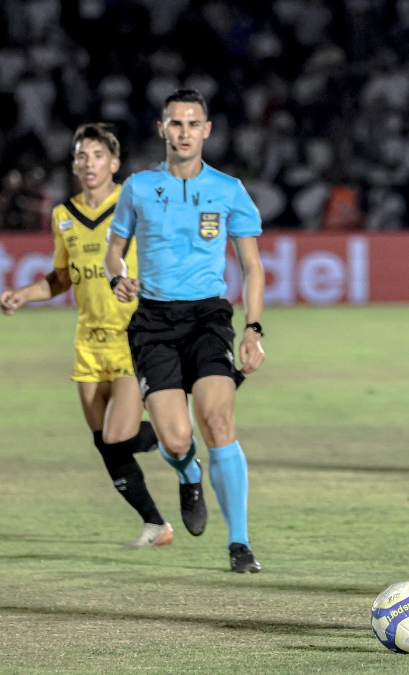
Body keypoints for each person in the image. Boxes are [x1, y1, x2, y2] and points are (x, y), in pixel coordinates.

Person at [103, 89, 267, 573]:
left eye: (193, 124)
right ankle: (187, 471)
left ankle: (240, 544)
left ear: (207, 130)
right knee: (176, 440)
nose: (184, 132)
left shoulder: (229, 189)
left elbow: (252, 268)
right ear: (162, 129)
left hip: (208, 318)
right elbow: (114, 250)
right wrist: (118, 276)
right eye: (175, 124)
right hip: (152, 319)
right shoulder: (137, 188)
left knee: (217, 420)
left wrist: (253, 329)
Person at [0, 123, 174, 548]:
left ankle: (178, 437)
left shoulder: (134, 206)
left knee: (120, 435)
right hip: (89, 340)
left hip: (133, 336)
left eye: (97, 155)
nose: (88, 162)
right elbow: (62, 278)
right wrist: (23, 294)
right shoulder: (63, 216)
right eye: (81, 155)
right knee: (106, 444)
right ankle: (156, 524)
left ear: (114, 164)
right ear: (74, 165)